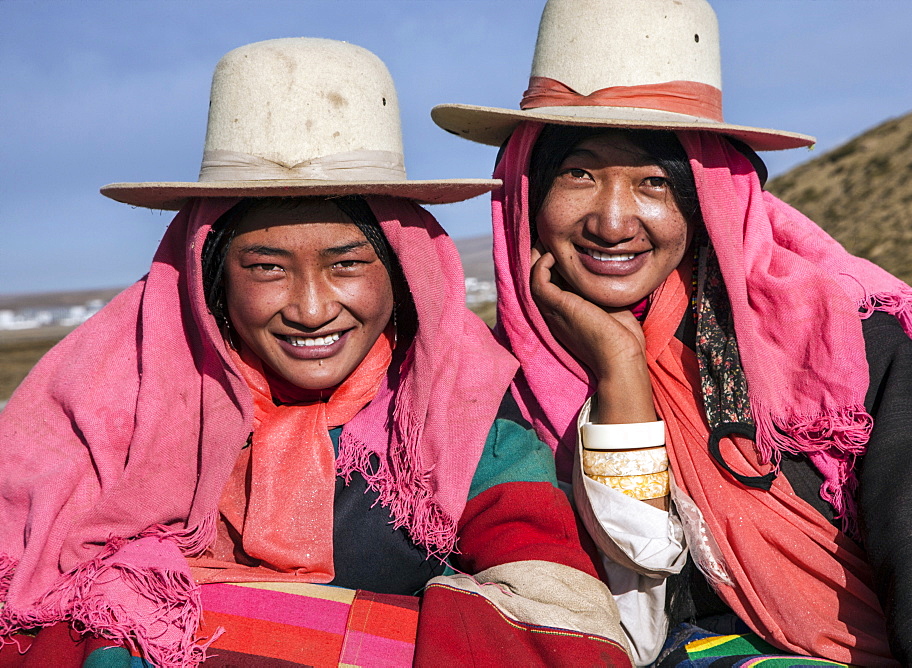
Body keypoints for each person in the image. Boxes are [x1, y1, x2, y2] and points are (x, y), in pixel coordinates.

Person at [0, 38, 632, 667]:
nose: (310, 309)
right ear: (211, 282)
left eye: (347, 265)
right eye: (267, 268)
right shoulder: (109, 436)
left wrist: (211, 628)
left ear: (401, 273)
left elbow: (568, 639)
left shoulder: (474, 443)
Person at [432, 1, 912, 665]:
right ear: (527, 189)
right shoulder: (495, 380)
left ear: (702, 194)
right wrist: (620, 366)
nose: (612, 222)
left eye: (652, 182)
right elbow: (635, 570)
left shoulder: (832, 338)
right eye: (578, 173)